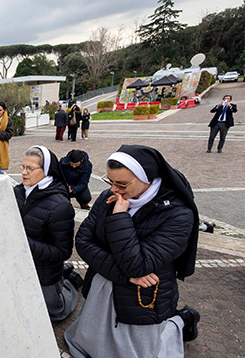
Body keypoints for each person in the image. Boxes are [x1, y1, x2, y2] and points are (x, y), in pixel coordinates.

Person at [65, 145, 201, 358]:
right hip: (107, 285)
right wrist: (125, 277)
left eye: (122, 184)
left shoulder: (179, 215)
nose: (114, 190)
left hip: (142, 299)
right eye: (110, 181)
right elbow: (82, 242)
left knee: (139, 350)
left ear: (146, 177)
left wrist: (120, 217)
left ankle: (182, 322)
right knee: (94, 338)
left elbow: (137, 265)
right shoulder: (106, 198)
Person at [14, 145, 81, 322]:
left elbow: (63, 252)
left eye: (30, 168)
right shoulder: (17, 192)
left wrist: (24, 243)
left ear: (46, 170)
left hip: (44, 271)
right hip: (19, 265)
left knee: (54, 313)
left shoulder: (60, 207)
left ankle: (69, 283)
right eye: (23, 167)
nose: (24, 173)